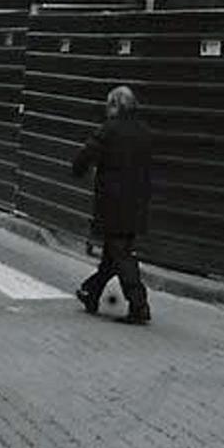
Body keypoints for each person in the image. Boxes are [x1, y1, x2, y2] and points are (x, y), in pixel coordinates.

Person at [71, 84, 154, 326]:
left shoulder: (110, 130)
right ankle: (90, 292)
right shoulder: (145, 131)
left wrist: (78, 169)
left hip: (113, 202)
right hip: (137, 201)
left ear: (116, 106)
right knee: (113, 255)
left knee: (121, 254)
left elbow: (85, 156)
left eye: (109, 106)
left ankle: (139, 305)